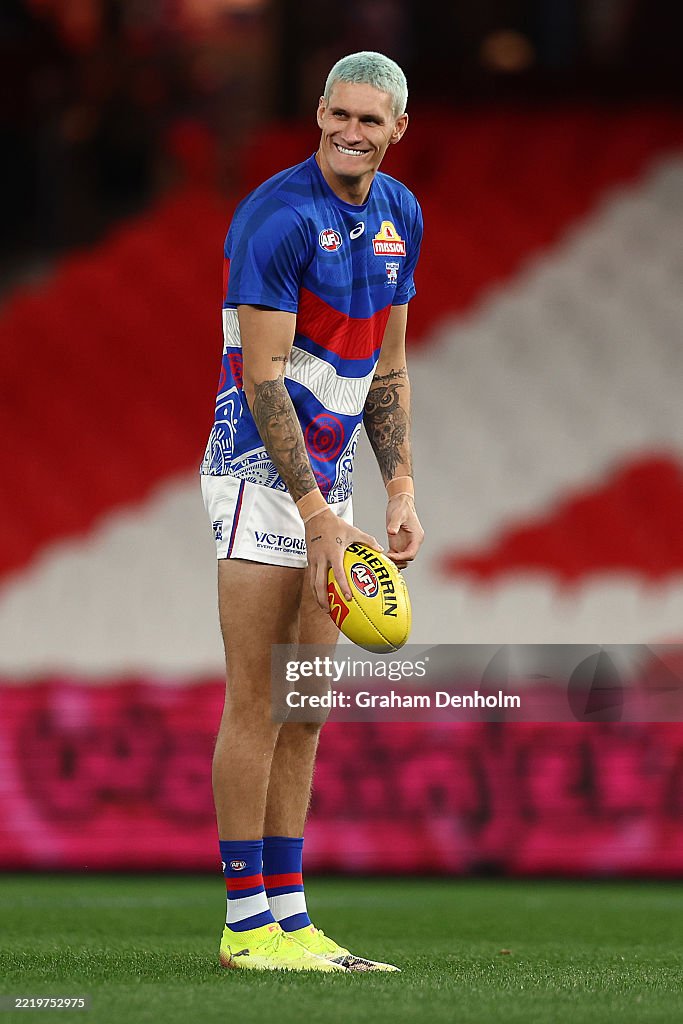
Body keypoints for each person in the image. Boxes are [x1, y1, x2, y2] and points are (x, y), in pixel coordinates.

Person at [200, 50, 424, 973]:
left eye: (370, 121)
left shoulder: (401, 215)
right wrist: (313, 509)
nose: (350, 132)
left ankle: (290, 919)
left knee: (307, 706)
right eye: (339, 114)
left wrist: (399, 488)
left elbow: (387, 368)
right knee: (257, 699)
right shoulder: (277, 216)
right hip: (260, 473)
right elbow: (260, 381)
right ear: (319, 111)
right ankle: (243, 924)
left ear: (396, 130)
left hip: (327, 487)